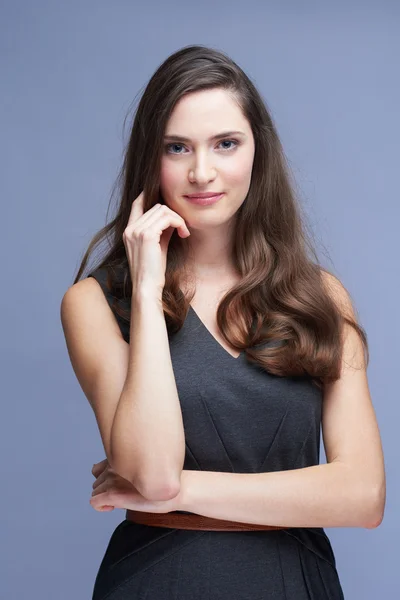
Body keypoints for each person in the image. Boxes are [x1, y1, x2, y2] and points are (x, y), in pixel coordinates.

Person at [60, 45, 385, 599]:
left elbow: (363, 496)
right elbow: (152, 472)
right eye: (177, 147)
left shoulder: (320, 296)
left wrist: (179, 491)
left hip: (294, 580)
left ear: (258, 151)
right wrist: (144, 288)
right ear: (150, 158)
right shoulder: (96, 303)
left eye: (226, 144)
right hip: (160, 581)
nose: (201, 171)